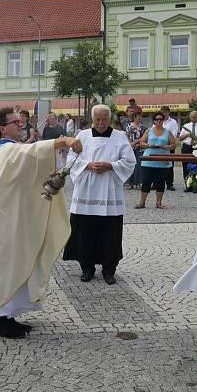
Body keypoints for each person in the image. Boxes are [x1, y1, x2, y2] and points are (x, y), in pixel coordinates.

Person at [0, 107, 82, 339]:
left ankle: (7, 315)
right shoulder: (4, 148)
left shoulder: (13, 149)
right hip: (1, 219)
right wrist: (60, 141)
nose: (21, 125)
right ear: (2, 128)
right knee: (2, 265)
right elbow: (30, 155)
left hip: (11, 216)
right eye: (15, 122)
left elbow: (31, 164)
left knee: (12, 263)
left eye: (20, 122)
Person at [63, 105, 135, 284]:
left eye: (104, 119)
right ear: (92, 119)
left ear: (109, 119)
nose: (101, 123)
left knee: (110, 232)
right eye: (98, 120)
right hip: (86, 190)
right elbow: (71, 159)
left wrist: (110, 166)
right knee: (85, 231)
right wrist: (87, 165)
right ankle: (86, 268)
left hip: (109, 190)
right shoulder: (82, 136)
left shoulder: (119, 137)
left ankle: (109, 269)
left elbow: (129, 161)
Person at [136, 111, 175, 209]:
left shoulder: (168, 132)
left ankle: (159, 203)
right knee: (146, 181)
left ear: (163, 121)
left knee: (160, 182)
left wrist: (165, 146)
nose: (159, 121)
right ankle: (142, 202)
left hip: (162, 161)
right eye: (157, 119)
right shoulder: (149, 131)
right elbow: (141, 143)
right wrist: (149, 145)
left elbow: (174, 145)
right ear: (153, 121)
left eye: (161, 119)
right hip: (148, 160)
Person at [179, 110, 197, 190]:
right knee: (185, 166)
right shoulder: (186, 126)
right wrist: (187, 134)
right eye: (191, 117)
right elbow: (180, 138)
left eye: (194, 117)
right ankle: (187, 185)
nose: (193, 119)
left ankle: (196, 185)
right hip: (186, 147)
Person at [125, 111, 145, 189]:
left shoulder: (143, 127)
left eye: (141, 116)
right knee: (130, 165)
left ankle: (139, 182)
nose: (140, 118)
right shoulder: (129, 126)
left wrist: (136, 142)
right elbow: (126, 136)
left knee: (139, 166)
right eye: (138, 116)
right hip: (130, 148)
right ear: (134, 117)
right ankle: (130, 183)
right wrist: (131, 144)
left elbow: (144, 138)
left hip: (140, 148)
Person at [160, 106, 179, 190]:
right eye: (162, 112)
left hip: (169, 145)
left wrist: (166, 142)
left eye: (165, 112)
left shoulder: (173, 122)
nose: (163, 114)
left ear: (168, 112)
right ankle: (158, 182)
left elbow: (174, 134)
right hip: (159, 146)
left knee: (169, 165)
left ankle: (169, 183)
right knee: (158, 164)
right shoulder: (158, 121)